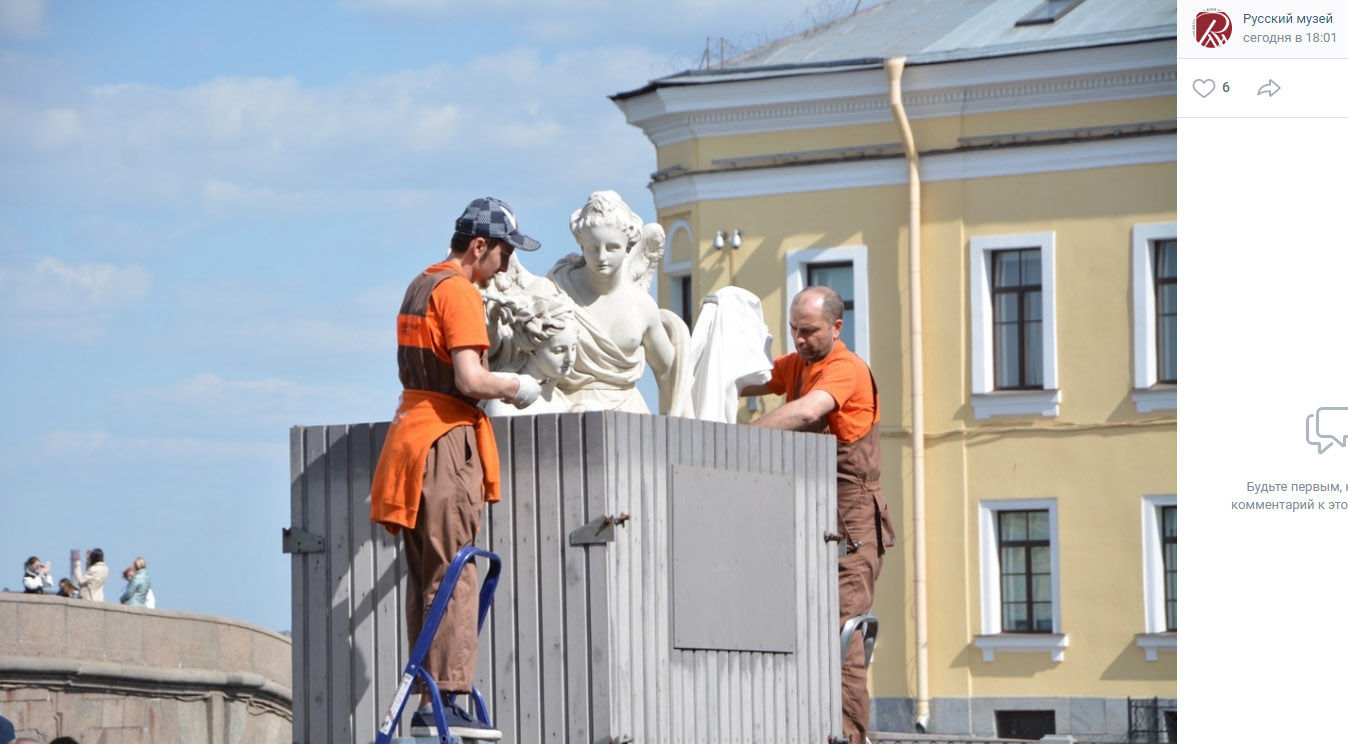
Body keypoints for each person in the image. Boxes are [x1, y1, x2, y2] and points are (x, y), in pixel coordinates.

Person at [369, 196, 543, 741]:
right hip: (446, 443)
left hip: (410, 442)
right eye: (505, 254)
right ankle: (449, 696)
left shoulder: (419, 285)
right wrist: (517, 386)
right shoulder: (461, 292)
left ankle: (428, 697)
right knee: (457, 572)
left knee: (427, 576)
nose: (506, 268)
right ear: (478, 247)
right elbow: (470, 379)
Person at [740, 285, 895, 744]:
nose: (799, 340)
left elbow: (808, 412)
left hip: (852, 520)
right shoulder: (798, 365)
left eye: (808, 331)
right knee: (805, 625)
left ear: (836, 327)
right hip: (813, 514)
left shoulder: (844, 369)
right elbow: (746, 377)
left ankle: (850, 738)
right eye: (793, 330)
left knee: (842, 632)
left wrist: (740, 440)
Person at [540, 190, 691, 415]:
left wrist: (678, 424)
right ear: (581, 244)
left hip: (629, 416)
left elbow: (668, 371)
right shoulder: (557, 291)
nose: (602, 257)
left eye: (612, 248)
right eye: (593, 248)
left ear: (629, 246)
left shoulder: (642, 306)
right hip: (567, 410)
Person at [482, 288, 579, 416]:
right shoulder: (504, 403)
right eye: (559, 350)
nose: (570, 358)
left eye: (573, 348)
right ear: (532, 349)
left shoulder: (562, 403)